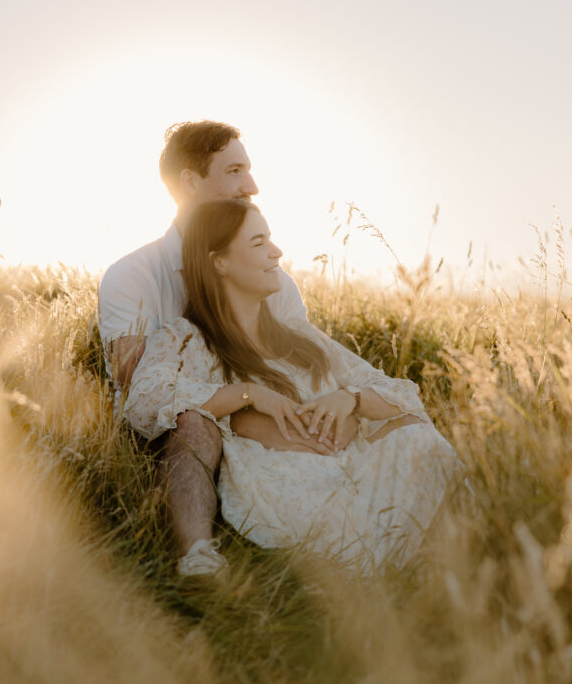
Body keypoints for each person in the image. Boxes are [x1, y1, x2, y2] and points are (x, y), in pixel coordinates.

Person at [124, 199, 463, 576]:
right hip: (288, 484)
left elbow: (401, 395)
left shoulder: (299, 336)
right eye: (258, 243)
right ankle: (201, 561)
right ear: (219, 262)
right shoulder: (187, 340)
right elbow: (145, 400)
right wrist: (248, 396)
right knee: (192, 423)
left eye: (270, 239)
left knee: (419, 435)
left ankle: (441, 557)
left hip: (354, 463)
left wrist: (349, 399)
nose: (276, 252)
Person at [98, 121, 359, 579]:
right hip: (175, 432)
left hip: (269, 418)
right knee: (193, 422)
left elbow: (301, 366)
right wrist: (239, 405)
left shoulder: (277, 283)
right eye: (235, 171)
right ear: (190, 182)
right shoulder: (134, 275)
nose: (251, 187)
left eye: (248, 171)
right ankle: (198, 557)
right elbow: (139, 388)